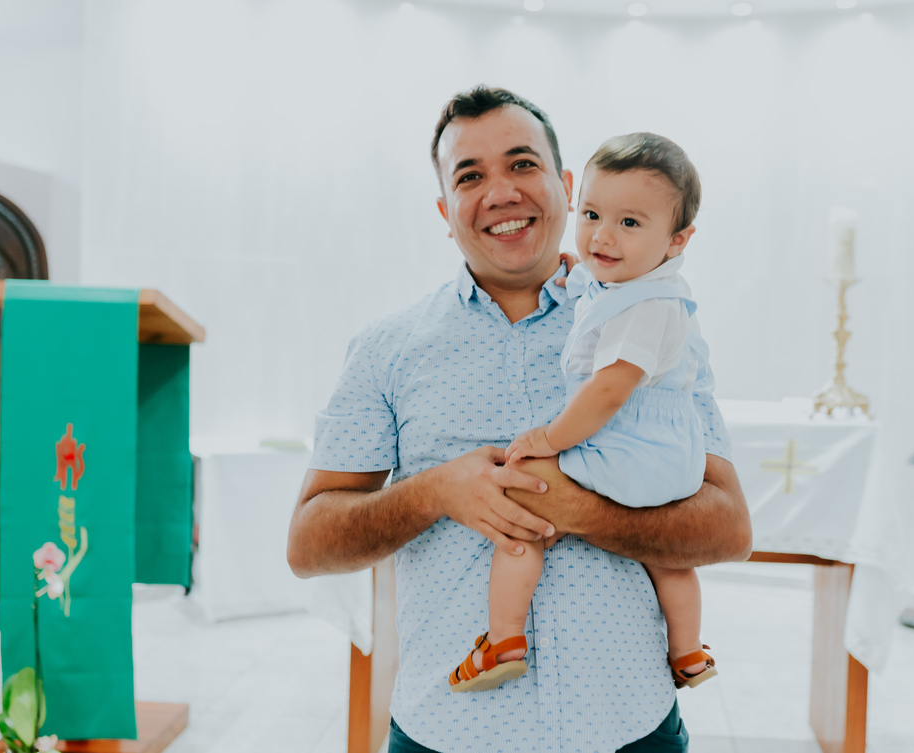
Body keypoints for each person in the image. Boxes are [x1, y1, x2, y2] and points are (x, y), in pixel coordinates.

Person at [287, 85, 752, 753]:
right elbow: (309, 543)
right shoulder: (385, 348)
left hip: (631, 730)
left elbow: (730, 528)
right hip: (449, 732)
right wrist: (436, 490)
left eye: (522, 163)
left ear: (566, 186)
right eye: (471, 176)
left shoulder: (656, 324)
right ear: (446, 212)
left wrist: (581, 508)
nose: (500, 191)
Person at [448, 133, 718, 697]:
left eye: (630, 223)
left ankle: (503, 639)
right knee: (665, 558)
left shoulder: (648, 307)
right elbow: (596, 295)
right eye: (593, 214)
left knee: (520, 502)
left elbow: (608, 393)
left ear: (677, 239)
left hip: (632, 452)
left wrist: (550, 437)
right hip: (663, 458)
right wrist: (578, 276)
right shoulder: (629, 285)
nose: (602, 234)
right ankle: (689, 650)